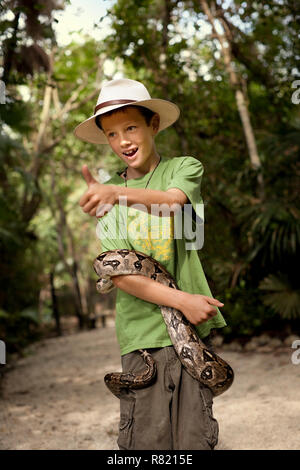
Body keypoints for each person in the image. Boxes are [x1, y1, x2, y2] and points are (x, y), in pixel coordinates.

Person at [74, 78, 227, 450]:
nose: (122, 141)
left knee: (195, 440)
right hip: (140, 340)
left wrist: (119, 194)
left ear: (152, 125)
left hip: (192, 337)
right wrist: (182, 300)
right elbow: (121, 275)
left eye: (130, 128)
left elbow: (173, 202)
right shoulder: (105, 195)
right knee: (146, 444)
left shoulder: (183, 168)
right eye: (111, 134)